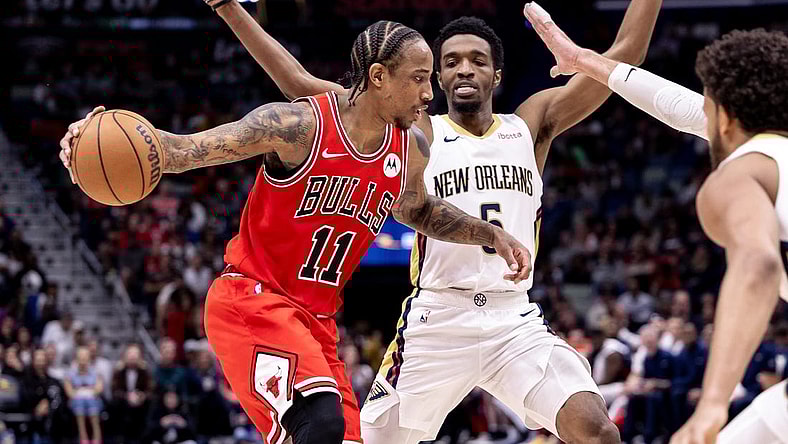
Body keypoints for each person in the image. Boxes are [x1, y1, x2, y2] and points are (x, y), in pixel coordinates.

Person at [202, 0, 661, 442]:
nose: (465, 69)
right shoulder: (415, 133)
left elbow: (625, 60)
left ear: (496, 74)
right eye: (452, 61)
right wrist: (228, 6)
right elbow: (298, 82)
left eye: (478, 60)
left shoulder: (531, 123)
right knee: (361, 440)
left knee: (598, 430)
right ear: (436, 77)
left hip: (513, 319)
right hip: (436, 319)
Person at [58, 19, 531, 444]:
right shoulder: (297, 126)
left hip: (317, 325)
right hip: (253, 299)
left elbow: (419, 211)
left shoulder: (411, 148)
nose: (430, 94)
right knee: (319, 422)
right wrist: (97, 134)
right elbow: (184, 150)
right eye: (419, 78)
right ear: (379, 77)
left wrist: (492, 234)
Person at [523, 4, 788, 443]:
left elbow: (759, 266)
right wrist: (584, 61)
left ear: (723, 118)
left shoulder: (741, 175)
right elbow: (678, 107)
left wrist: (712, 404)